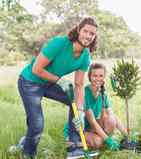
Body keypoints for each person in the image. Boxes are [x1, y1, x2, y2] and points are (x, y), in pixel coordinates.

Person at [13, 17, 98, 158]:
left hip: (50, 83)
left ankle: (74, 147)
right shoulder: (60, 44)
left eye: (92, 34)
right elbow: (36, 69)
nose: (88, 36)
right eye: (85, 31)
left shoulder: (85, 56)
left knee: (76, 103)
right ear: (78, 30)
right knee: (37, 124)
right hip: (30, 82)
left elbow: (79, 84)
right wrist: (59, 80)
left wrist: (81, 111)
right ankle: (27, 153)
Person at [64, 63, 128, 151]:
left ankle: (102, 139)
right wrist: (108, 140)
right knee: (98, 142)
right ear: (89, 77)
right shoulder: (85, 93)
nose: (98, 79)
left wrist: (127, 136)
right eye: (95, 76)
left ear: (104, 77)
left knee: (111, 119)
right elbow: (93, 122)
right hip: (79, 129)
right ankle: (75, 143)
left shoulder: (103, 94)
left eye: (101, 76)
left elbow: (113, 117)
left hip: (90, 127)